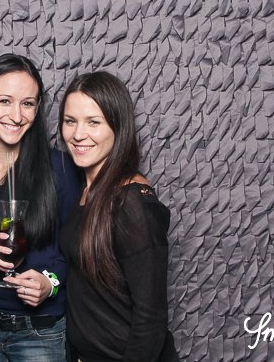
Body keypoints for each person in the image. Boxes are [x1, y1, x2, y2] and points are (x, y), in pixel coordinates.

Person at [0, 54, 81, 362]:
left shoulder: (61, 169)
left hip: (42, 330)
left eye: (27, 103)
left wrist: (49, 283)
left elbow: (76, 249)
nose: (16, 115)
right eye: (5, 101)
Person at [59, 72, 179, 362]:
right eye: (70, 121)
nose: (78, 134)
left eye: (93, 122)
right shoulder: (86, 191)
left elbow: (150, 317)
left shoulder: (131, 202)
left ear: (118, 126)